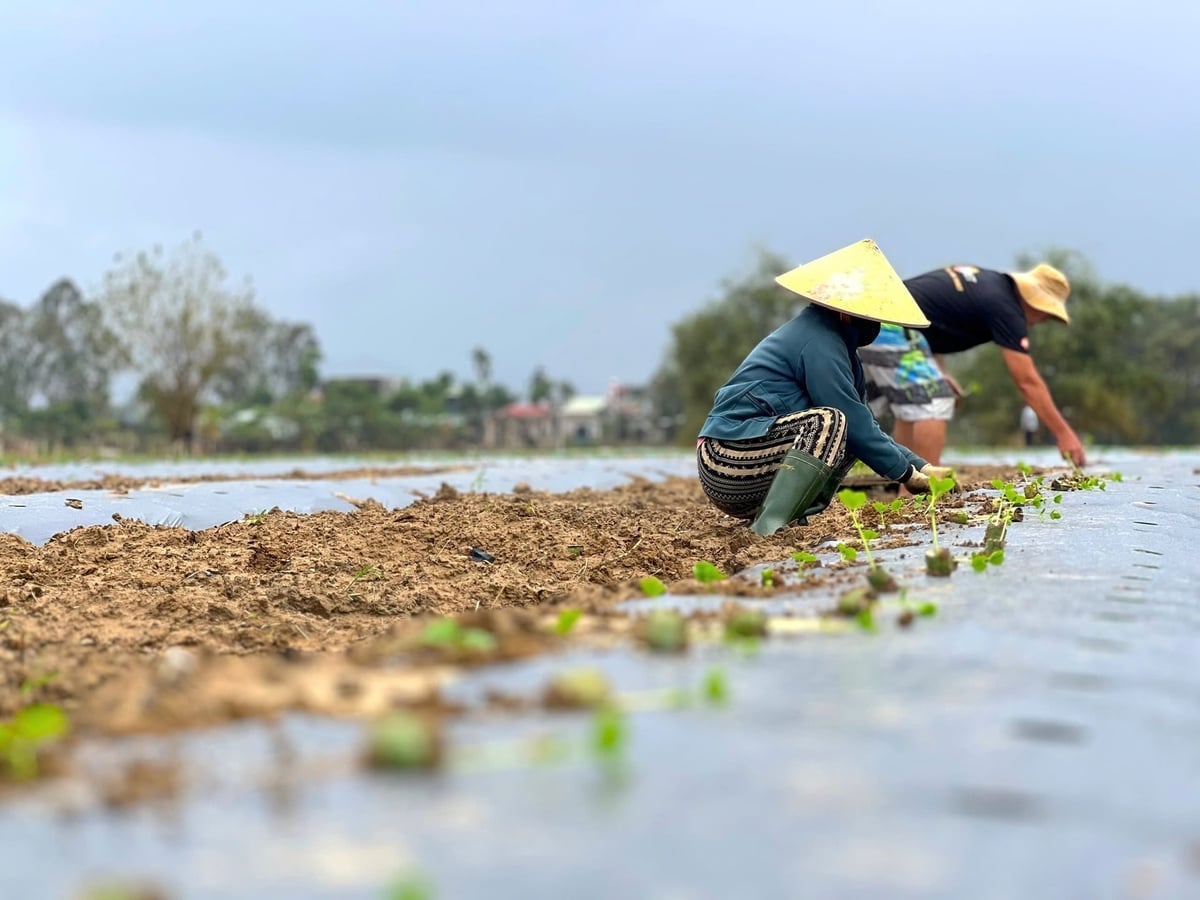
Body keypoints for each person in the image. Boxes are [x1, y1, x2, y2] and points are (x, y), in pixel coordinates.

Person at [696, 239, 954, 536]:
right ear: (845, 311)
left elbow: (864, 426)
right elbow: (848, 418)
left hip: (753, 460)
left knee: (852, 434)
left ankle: (791, 514)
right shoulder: (818, 341)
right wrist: (906, 474)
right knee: (829, 421)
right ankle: (769, 528)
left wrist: (920, 466)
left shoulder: (840, 347)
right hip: (726, 462)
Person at [860, 262, 1086, 467]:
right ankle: (921, 492)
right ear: (1035, 302)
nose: (1039, 323)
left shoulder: (990, 285)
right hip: (893, 325)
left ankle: (906, 488)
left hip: (875, 319)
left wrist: (940, 371)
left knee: (911, 406)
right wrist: (1063, 433)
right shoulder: (1007, 308)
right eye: (1045, 316)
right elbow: (1027, 381)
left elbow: (929, 319)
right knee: (935, 399)